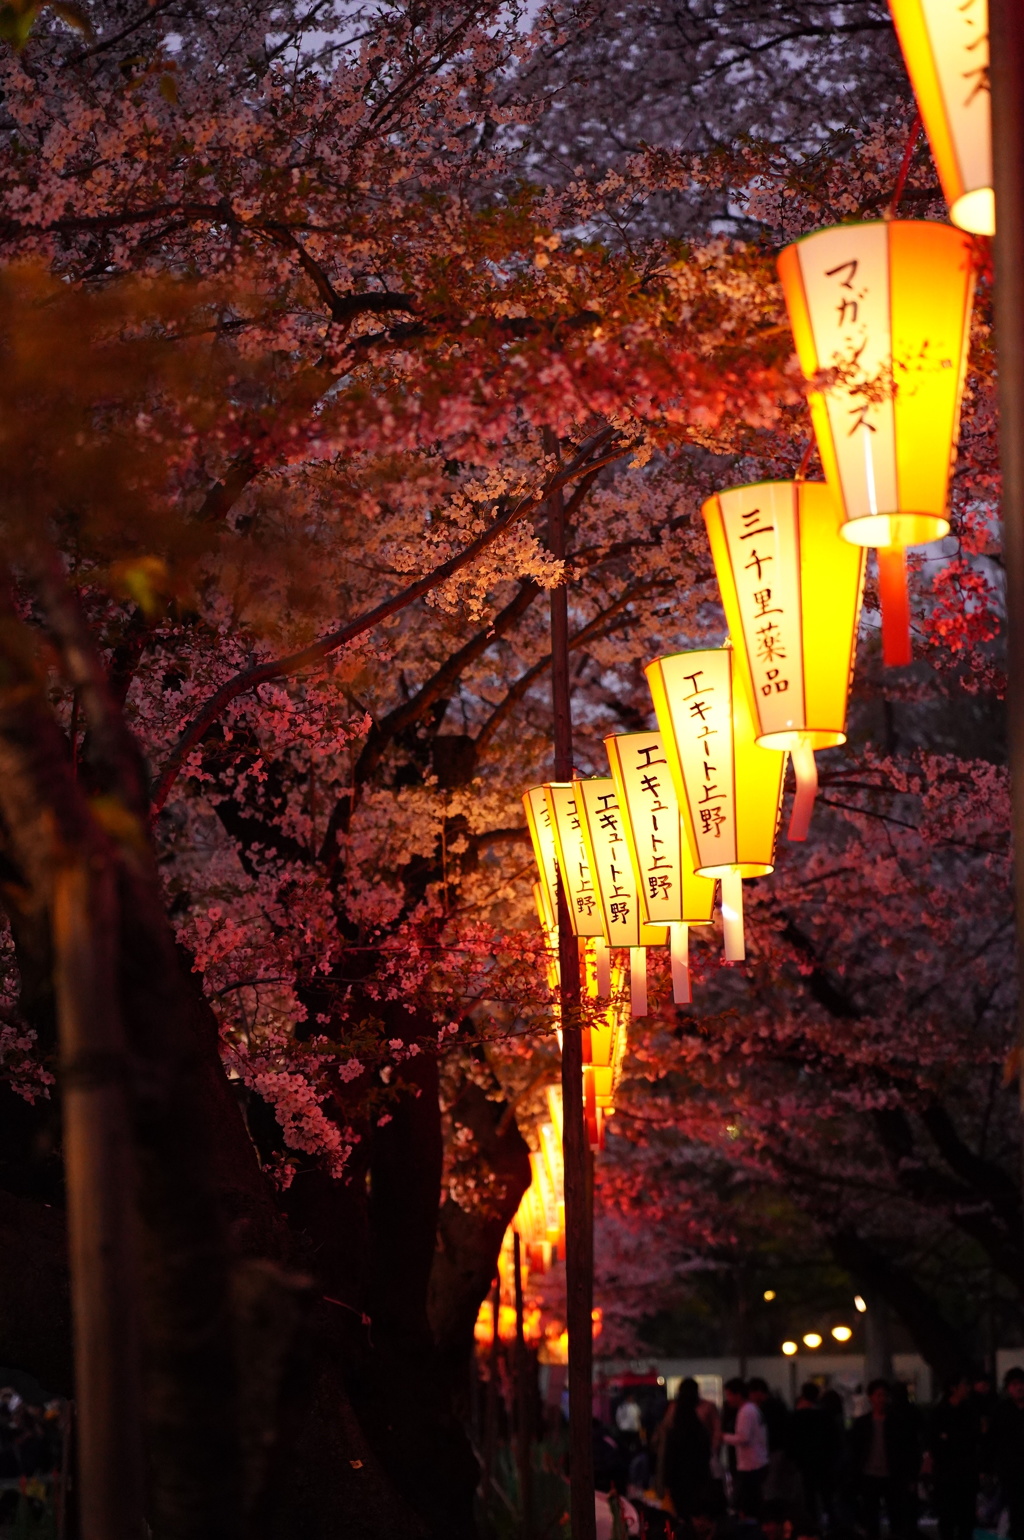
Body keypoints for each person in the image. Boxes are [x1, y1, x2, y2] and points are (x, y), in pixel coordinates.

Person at [848, 1378, 920, 1540]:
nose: (881, 1399)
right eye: (878, 1395)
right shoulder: (863, 1423)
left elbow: (908, 1449)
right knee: (871, 1518)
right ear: (870, 1397)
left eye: (884, 1395)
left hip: (892, 1474)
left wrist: (909, 1474)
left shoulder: (897, 1422)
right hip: (869, 1474)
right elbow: (855, 1450)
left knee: (896, 1516)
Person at [927, 1374, 979, 1540]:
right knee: (947, 1517)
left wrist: (950, 1437)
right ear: (953, 1388)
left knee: (966, 1519)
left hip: (965, 1472)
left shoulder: (970, 1410)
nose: (967, 1388)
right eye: (964, 1385)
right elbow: (934, 1441)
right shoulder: (939, 1412)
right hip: (946, 1473)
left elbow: (973, 1438)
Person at [663, 1379, 713, 1537]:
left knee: (681, 1517)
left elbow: (669, 1455)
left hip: (679, 1478)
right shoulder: (699, 1425)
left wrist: (666, 1481)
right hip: (698, 1476)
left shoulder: (675, 1422)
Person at [722, 1377, 769, 1521]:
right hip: (758, 1461)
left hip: (750, 1464)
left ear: (737, 1394)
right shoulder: (753, 1409)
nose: (728, 1399)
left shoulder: (745, 1412)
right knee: (752, 1500)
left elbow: (743, 1438)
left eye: (729, 1394)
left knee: (746, 1502)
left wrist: (723, 1437)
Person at [790, 1382, 828, 1527]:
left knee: (808, 1496)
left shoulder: (797, 1416)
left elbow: (792, 1440)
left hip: (803, 1463)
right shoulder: (824, 1416)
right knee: (826, 1497)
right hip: (822, 1462)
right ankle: (829, 1525)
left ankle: (810, 1525)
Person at [993, 1366, 1024, 1540]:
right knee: (1016, 1509)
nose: (1020, 1388)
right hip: (1011, 1470)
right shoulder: (1002, 1410)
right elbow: (993, 1439)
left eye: (1022, 1383)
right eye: (1015, 1384)